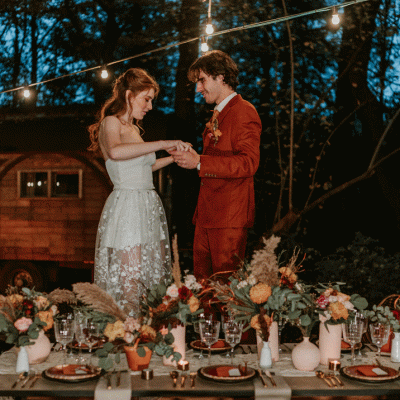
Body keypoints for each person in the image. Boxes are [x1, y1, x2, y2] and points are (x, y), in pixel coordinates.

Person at [88, 68, 191, 317]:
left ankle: (143, 327)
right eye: (146, 98)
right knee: (130, 276)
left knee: (146, 274)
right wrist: (164, 143)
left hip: (145, 204)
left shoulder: (133, 129)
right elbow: (115, 152)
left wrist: (172, 157)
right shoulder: (111, 123)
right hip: (129, 206)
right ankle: (128, 329)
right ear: (128, 96)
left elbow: (146, 166)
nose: (150, 106)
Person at [171, 50, 262, 281]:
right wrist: (192, 157)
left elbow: (249, 163)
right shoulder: (218, 114)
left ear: (221, 77)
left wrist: (200, 161)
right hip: (206, 216)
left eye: (202, 80)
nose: (198, 88)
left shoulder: (244, 111)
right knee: (204, 288)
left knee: (225, 289)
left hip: (229, 217)